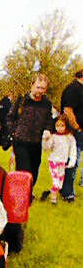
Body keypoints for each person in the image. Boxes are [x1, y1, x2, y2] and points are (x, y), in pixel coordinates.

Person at [6, 73, 55, 193]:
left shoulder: (47, 103)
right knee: (24, 169)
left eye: (43, 88)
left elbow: (49, 120)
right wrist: (14, 132)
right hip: (21, 141)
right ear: (32, 86)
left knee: (34, 170)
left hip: (37, 142)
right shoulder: (22, 100)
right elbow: (10, 117)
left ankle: (28, 193)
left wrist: (48, 130)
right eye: (38, 87)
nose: (40, 91)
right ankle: (21, 194)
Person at [41, 115, 77, 204]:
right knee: (56, 181)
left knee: (60, 184)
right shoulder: (54, 137)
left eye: (62, 126)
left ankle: (48, 193)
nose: (60, 128)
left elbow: (73, 150)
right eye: (58, 126)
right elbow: (47, 148)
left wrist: (72, 161)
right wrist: (46, 140)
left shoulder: (69, 137)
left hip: (63, 163)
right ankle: (54, 200)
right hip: (54, 161)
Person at [59, 68, 83, 202]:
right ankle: (67, 192)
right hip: (77, 132)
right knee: (73, 161)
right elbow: (68, 110)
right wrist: (77, 127)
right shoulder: (73, 89)